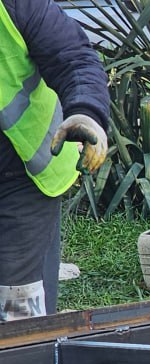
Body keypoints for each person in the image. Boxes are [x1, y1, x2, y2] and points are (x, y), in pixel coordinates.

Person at [1, 0, 109, 322]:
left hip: (24, 173)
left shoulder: (16, 5)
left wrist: (85, 112)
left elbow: (74, 60)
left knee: (16, 310)